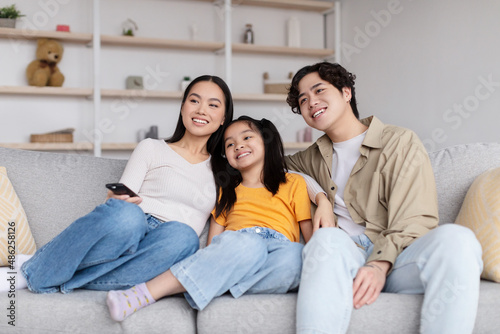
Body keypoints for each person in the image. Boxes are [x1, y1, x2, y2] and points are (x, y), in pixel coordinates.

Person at [284, 62, 483, 334]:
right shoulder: (309, 158)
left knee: (459, 240)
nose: (311, 102)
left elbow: (415, 219)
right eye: (303, 99)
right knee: (326, 239)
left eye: (319, 90)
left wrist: (378, 265)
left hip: (401, 259)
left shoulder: (399, 142)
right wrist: (321, 198)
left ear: (346, 93)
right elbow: (268, 167)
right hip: (345, 257)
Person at [13, 75, 234, 294]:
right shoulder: (151, 148)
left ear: (223, 117)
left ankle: (39, 271)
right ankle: (39, 271)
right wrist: (116, 201)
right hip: (129, 229)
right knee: (129, 217)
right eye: (194, 101)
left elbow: (219, 231)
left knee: (185, 238)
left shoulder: (225, 171)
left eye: (213, 105)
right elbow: (116, 206)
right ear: (183, 106)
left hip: (163, 247)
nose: (201, 110)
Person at [106, 116, 313, 321]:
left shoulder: (294, 182)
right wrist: (216, 258)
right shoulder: (227, 190)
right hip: (239, 245)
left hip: (278, 250)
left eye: (247, 138)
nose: (238, 146)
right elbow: (213, 244)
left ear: (266, 141)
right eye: (230, 144)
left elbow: (311, 239)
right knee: (249, 245)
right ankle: (141, 294)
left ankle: (215, 283)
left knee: (297, 257)